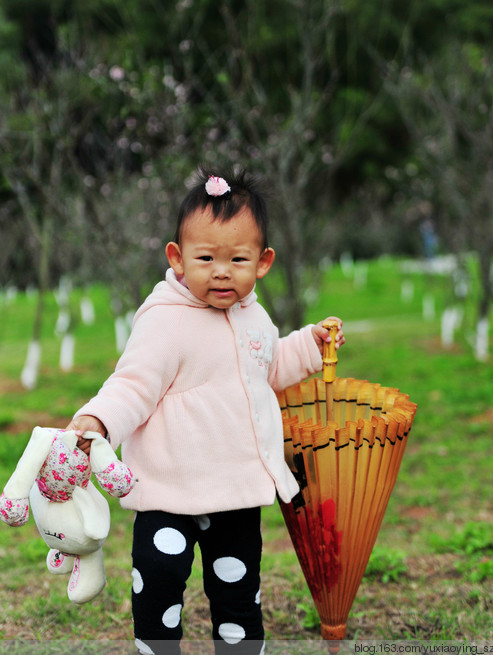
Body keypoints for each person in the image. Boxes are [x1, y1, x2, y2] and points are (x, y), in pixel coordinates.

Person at [67, 168, 345, 655]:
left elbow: (268, 366)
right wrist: (99, 419)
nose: (221, 271)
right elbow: (133, 384)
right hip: (166, 492)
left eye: (238, 259)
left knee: (238, 595)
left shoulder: (252, 315)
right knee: (158, 586)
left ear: (262, 262)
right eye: (206, 258)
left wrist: (308, 344)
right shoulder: (166, 320)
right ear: (177, 258)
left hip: (232, 490)